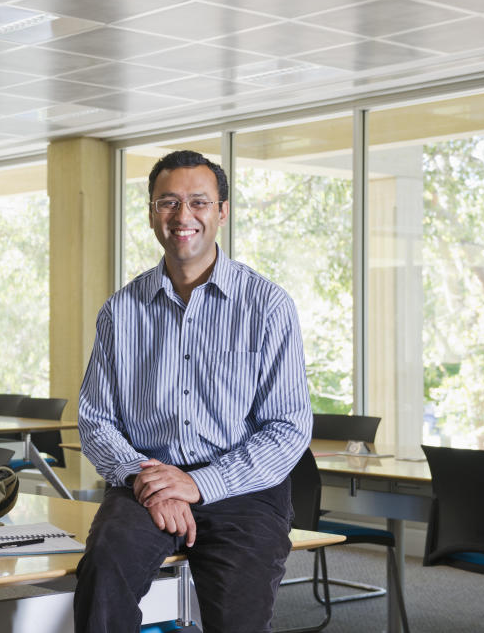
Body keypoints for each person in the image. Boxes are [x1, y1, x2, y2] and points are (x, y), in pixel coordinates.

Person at [74, 150, 312, 633]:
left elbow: (288, 428)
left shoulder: (267, 306)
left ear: (221, 212)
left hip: (243, 488)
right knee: (102, 575)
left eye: (199, 202)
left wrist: (201, 484)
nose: (183, 217)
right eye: (168, 203)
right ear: (151, 215)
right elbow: (96, 419)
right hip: (148, 482)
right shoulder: (121, 312)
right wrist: (148, 480)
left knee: (237, 619)